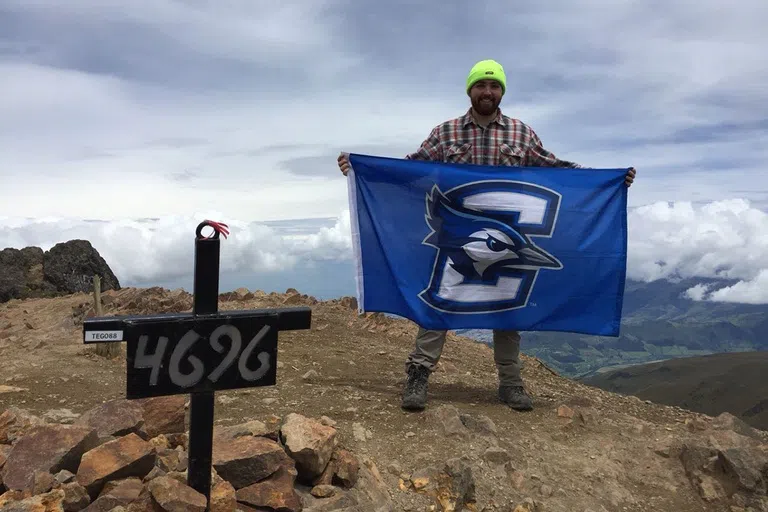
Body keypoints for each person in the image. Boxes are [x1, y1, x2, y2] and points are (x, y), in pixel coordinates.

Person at [338, 59, 636, 412]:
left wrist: (606, 180)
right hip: (456, 242)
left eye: (494, 87)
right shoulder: (445, 133)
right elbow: (411, 169)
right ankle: (418, 375)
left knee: (509, 311)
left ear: (502, 92)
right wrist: (362, 170)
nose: (488, 92)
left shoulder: (521, 134)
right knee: (438, 304)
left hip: (509, 238)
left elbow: (553, 168)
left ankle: (511, 383)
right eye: (481, 85)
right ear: (470, 90)